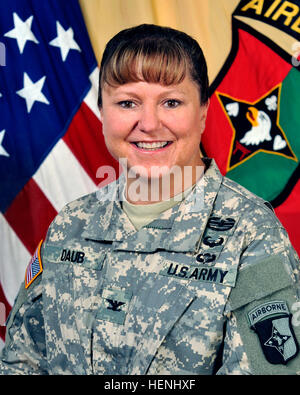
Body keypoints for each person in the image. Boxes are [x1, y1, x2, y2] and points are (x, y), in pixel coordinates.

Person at [1, 23, 300, 375]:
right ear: (102, 112)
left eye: (171, 102)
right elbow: (21, 360)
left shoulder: (254, 236)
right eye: (127, 102)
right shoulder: (71, 224)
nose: (148, 123)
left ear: (203, 111)